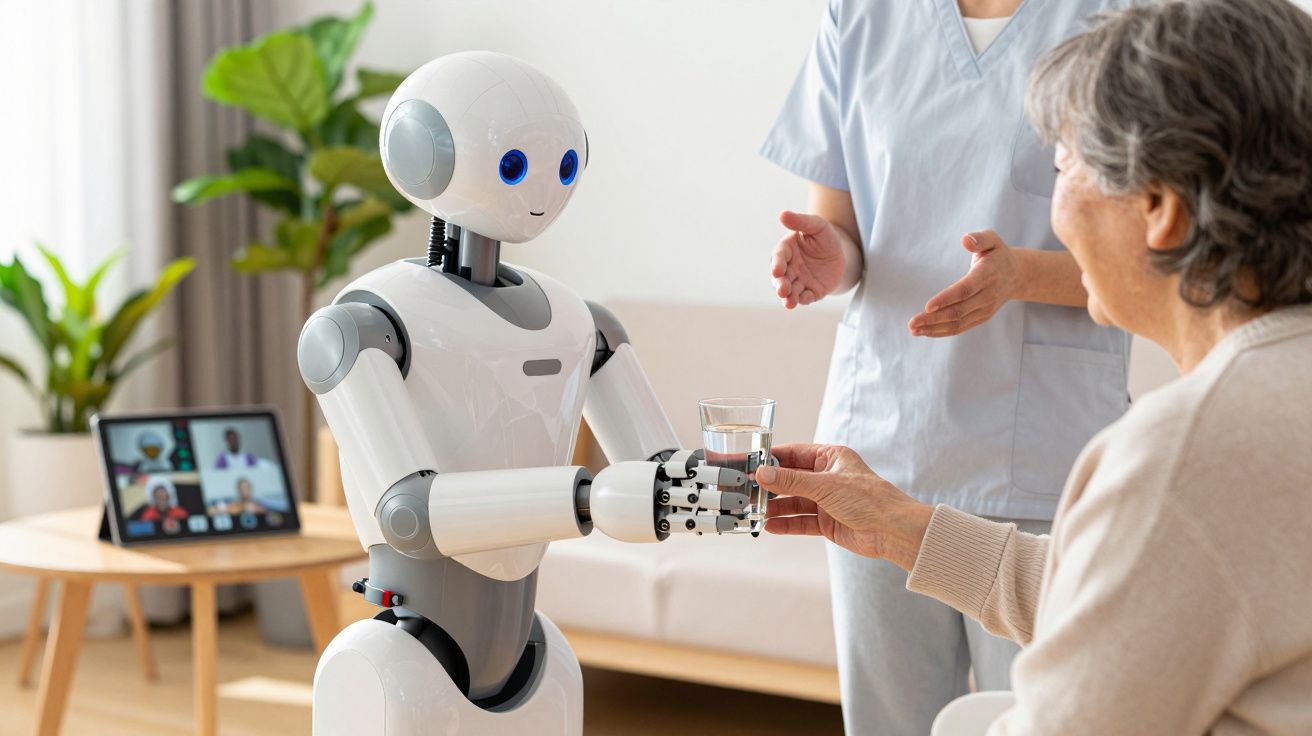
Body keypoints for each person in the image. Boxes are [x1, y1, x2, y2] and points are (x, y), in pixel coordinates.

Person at [761, 0, 1312, 731]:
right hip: (889, 428)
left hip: (1036, 445)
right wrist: (906, 529)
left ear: (1160, 206)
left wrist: (1019, 274)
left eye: (1064, 162)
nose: (1055, 204)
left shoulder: (1174, 460)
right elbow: (1118, 601)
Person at [759, 0, 1130, 731]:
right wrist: (829, 259)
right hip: (880, 443)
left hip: (1038, 452)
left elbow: (1149, 252)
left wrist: (1018, 273)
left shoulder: (1119, 18)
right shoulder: (861, 16)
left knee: (1037, 720)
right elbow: (849, 230)